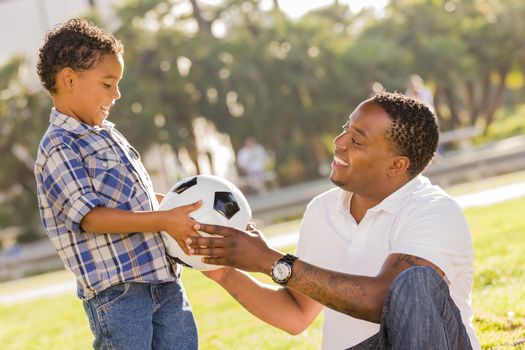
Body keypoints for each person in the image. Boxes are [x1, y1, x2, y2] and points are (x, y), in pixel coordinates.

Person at [188, 92, 480, 349]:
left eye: (356, 140)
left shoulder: (434, 211)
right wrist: (224, 271)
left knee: (413, 281)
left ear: (397, 165)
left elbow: (383, 300)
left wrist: (268, 260)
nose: (339, 143)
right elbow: (296, 313)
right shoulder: (323, 210)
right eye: (345, 130)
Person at [34, 18, 200, 350]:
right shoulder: (59, 147)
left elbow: (135, 199)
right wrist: (164, 220)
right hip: (119, 293)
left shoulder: (107, 134)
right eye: (108, 84)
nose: (117, 94)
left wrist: (181, 209)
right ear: (69, 79)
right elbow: (91, 217)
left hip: (163, 280)